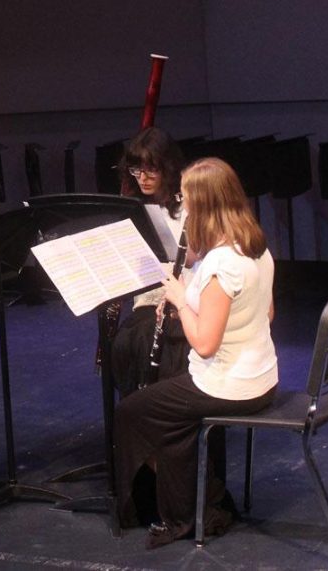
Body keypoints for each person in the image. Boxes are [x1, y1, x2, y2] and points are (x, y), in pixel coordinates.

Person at [114, 157, 278, 548]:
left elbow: (204, 343)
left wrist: (179, 300)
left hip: (229, 386)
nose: (183, 209)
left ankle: (201, 506)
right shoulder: (254, 247)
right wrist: (193, 295)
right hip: (262, 377)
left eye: (187, 201)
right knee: (173, 425)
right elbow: (267, 313)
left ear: (203, 207)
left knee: (131, 413)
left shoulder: (221, 263)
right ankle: (192, 508)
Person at [109, 127, 191, 397]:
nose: (142, 178)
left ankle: (153, 409)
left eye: (150, 170)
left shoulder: (186, 206)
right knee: (123, 344)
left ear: (167, 168)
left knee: (147, 342)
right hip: (147, 301)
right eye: (136, 170)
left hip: (185, 299)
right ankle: (134, 410)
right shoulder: (133, 209)